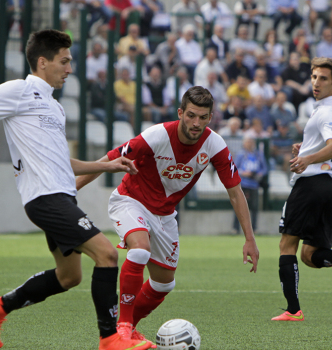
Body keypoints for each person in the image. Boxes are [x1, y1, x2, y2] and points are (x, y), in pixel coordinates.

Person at [0, 29, 151, 350]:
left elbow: (62, 161)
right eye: (64, 61)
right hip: (45, 199)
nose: (69, 68)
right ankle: (110, 339)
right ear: (43, 62)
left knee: (69, 277)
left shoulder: (54, 108)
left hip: (60, 197)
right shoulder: (17, 90)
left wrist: (106, 165)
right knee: (106, 255)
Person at [75, 86, 260, 343]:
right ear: (180, 112)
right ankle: (123, 329)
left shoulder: (215, 144)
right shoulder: (156, 136)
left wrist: (249, 238)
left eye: (203, 117)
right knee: (139, 249)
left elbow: (235, 192)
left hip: (164, 215)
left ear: (211, 118)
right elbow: (109, 160)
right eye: (191, 115)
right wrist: (70, 190)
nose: (196, 123)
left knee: (164, 283)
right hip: (131, 200)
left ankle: (129, 325)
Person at [272, 57, 332, 322]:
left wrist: (306, 159)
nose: (316, 82)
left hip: (311, 183)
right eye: (314, 77)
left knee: (287, 244)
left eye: (323, 78)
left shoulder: (326, 111)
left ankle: (293, 310)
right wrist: (309, 147)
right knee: (310, 256)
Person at [233, 136, 268, 233]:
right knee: (239, 207)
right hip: (243, 184)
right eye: (248, 142)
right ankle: (236, 228)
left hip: (254, 184)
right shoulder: (241, 154)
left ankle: (254, 228)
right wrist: (244, 173)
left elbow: (264, 168)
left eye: (251, 142)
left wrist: (259, 174)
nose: (249, 144)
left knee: (254, 207)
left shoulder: (258, 155)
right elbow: (235, 168)